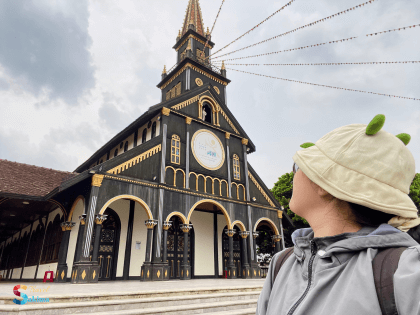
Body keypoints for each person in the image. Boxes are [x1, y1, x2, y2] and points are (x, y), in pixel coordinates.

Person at [256, 114, 420, 315]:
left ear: (324, 183)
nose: (293, 176)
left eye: (299, 167)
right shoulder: (282, 263)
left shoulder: (406, 270)